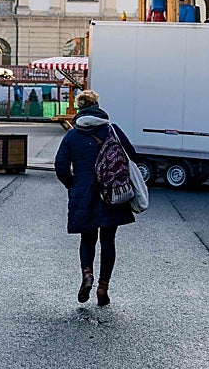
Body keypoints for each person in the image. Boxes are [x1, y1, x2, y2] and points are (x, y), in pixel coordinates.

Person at [54, 88, 138, 307]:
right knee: (108, 240)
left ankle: (87, 274)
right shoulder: (113, 130)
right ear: (97, 107)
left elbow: (61, 166)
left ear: (80, 109)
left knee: (87, 239)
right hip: (111, 193)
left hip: (84, 193)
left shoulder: (72, 134)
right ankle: (103, 287)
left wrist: (73, 185)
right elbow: (132, 156)